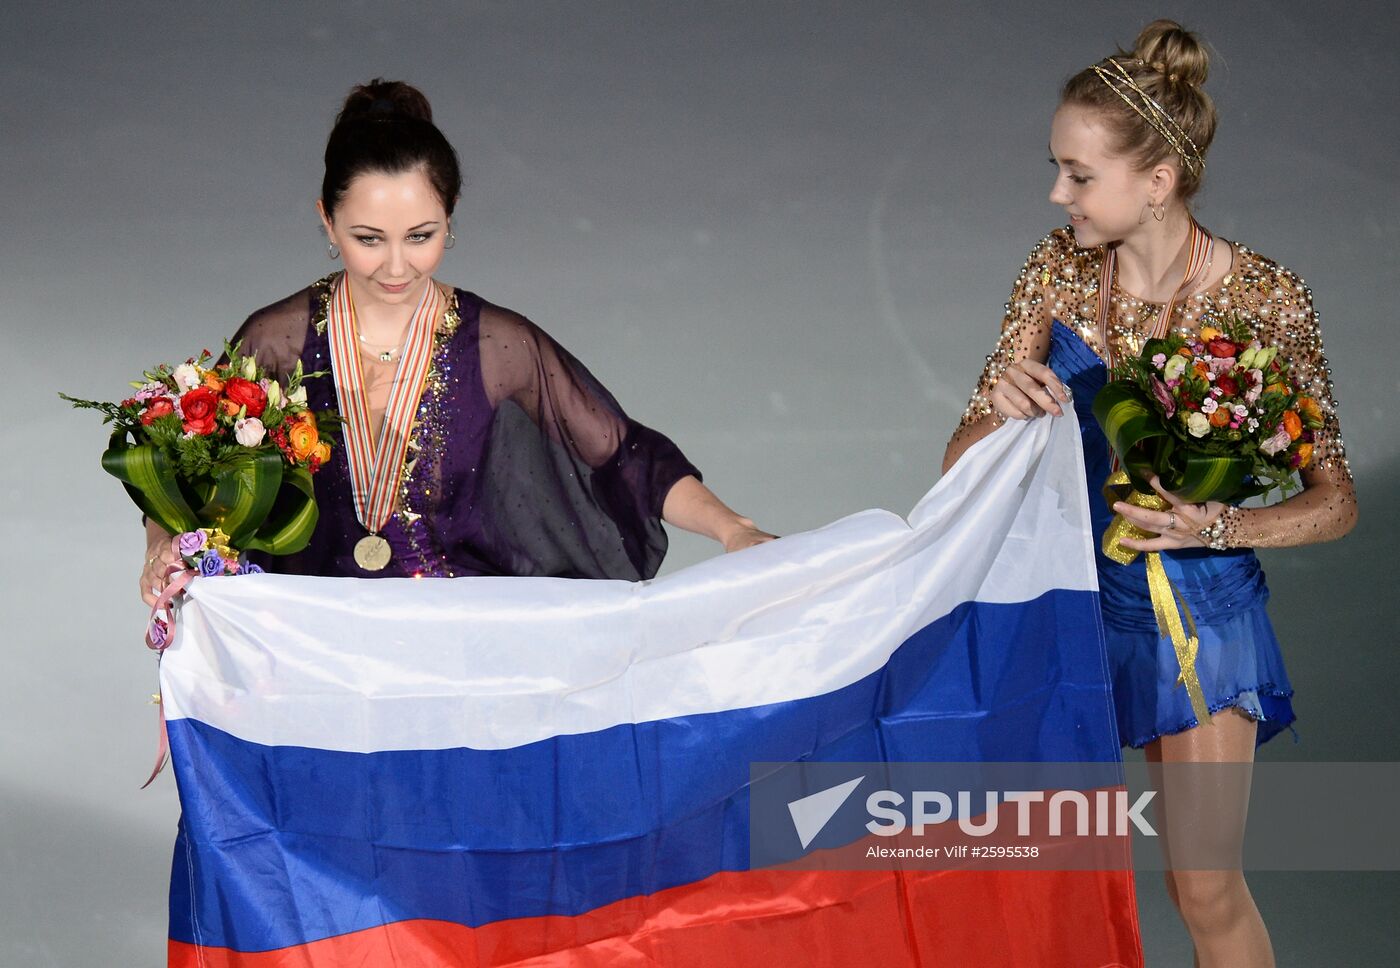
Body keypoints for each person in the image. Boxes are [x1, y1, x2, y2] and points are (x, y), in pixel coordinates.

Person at [942, 20, 1356, 968]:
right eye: (1059, 168)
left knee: (1203, 888)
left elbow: (1335, 500)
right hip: (1068, 607)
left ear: (1158, 182)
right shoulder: (1054, 274)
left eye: (1079, 175)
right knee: (1040, 877)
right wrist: (1001, 416)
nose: (1058, 193)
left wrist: (1219, 523)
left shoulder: (1264, 296)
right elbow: (959, 459)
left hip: (1200, 619)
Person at [140, 78, 772, 598]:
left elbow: (626, 456)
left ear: (452, 215)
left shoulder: (497, 348)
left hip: (460, 654)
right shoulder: (276, 341)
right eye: (368, 238)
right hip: (314, 650)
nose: (396, 266)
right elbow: (183, 470)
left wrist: (730, 528)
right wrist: (158, 547)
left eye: (421, 235)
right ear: (327, 222)